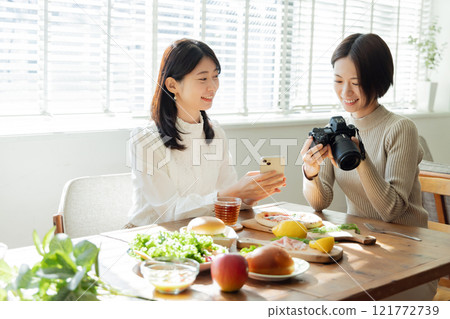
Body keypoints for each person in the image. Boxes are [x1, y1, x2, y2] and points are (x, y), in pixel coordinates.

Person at [300, 33, 436, 300]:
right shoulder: (336, 129)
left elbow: (391, 210)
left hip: (411, 254)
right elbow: (320, 202)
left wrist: (360, 159)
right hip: (363, 246)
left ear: (377, 81)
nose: (345, 92)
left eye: (356, 83)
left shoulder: (401, 128)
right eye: (338, 81)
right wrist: (310, 172)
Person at [127, 38, 285, 227]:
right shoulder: (145, 139)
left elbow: (226, 197)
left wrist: (250, 195)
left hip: (201, 232)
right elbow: (170, 213)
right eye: (202, 78)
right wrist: (235, 191)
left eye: (215, 76)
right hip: (151, 236)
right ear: (172, 85)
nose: (212, 87)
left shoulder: (215, 132)